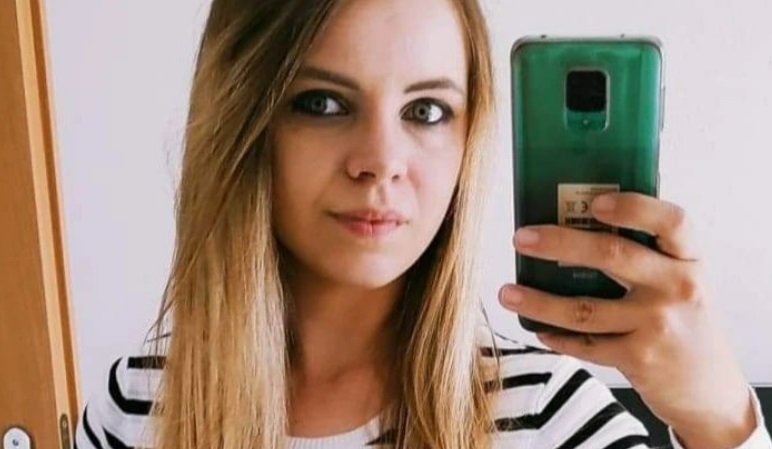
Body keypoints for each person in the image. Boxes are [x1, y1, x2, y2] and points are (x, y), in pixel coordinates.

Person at [73, 0, 772, 448]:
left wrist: (719, 421)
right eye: (322, 103)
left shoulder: (549, 417)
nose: (381, 161)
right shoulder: (134, 408)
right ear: (244, 123)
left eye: (427, 111)